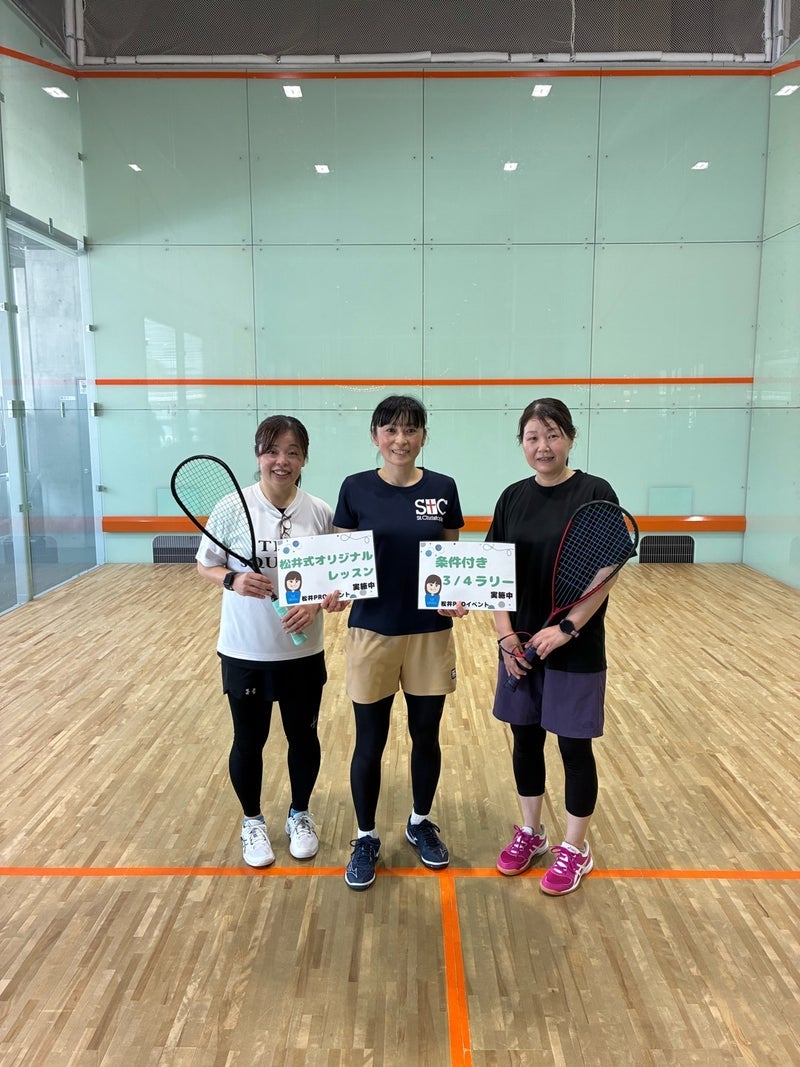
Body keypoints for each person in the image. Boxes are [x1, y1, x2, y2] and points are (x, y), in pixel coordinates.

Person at [323, 395, 467, 891]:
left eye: (410, 430)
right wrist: (335, 593)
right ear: (375, 436)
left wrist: (455, 594)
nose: (400, 440)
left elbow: (450, 558)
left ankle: (419, 821)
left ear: (423, 436)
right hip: (371, 631)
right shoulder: (355, 487)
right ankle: (365, 837)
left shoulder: (443, 488)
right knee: (370, 740)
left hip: (429, 634)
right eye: (390, 430)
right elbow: (340, 561)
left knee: (427, 736)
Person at [488, 397, 627, 896]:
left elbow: (607, 570)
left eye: (552, 435)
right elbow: (493, 573)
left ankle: (575, 847)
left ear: (569, 438)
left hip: (575, 648)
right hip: (520, 647)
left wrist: (567, 627)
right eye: (533, 437)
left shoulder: (595, 493)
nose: (542, 446)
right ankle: (532, 832)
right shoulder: (512, 498)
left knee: (572, 746)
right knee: (525, 739)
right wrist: (506, 637)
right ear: (522, 443)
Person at [196, 415, 333, 868]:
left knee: (303, 736)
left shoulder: (319, 511)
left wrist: (317, 605)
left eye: (292, 452)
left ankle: (300, 814)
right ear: (258, 455)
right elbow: (205, 564)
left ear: (304, 459)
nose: (281, 461)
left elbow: (335, 579)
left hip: (303, 652)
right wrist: (232, 579)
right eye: (272, 451)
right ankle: (252, 821)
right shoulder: (231, 507)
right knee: (248, 739)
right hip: (245, 650)